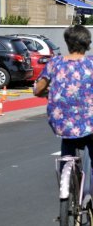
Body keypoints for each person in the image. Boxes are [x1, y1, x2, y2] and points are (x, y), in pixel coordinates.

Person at [34, 25, 93, 168]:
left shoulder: (55, 63)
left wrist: (46, 92)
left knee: (67, 144)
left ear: (67, 43)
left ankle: (65, 183)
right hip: (89, 123)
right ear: (87, 43)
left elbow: (38, 90)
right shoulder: (91, 63)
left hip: (62, 124)